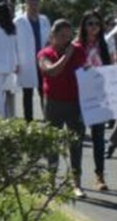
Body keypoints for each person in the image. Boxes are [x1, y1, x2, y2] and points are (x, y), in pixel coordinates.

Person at [35, 19, 88, 198]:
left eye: (69, 36)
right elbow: (51, 71)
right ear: (53, 36)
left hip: (75, 103)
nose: (66, 40)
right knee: (52, 143)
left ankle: (77, 183)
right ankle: (50, 182)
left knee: (76, 143)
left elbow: (87, 70)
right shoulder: (45, 53)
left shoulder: (79, 51)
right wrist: (67, 55)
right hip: (54, 103)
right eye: (62, 36)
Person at [73, 13, 113, 189]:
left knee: (98, 137)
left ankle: (100, 176)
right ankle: (76, 177)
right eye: (90, 23)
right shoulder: (76, 46)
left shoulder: (104, 46)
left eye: (97, 23)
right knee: (78, 138)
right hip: (80, 97)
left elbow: (111, 70)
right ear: (83, 26)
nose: (94, 27)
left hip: (98, 97)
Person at [13, 0, 47, 120]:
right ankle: (29, 121)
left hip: (43, 60)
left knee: (44, 91)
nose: (34, 7)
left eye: (36, 4)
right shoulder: (19, 21)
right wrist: (15, 62)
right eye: (31, 4)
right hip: (26, 62)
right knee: (27, 93)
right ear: (26, 5)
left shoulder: (44, 20)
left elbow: (49, 39)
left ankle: (47, 119)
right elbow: (13, 43)